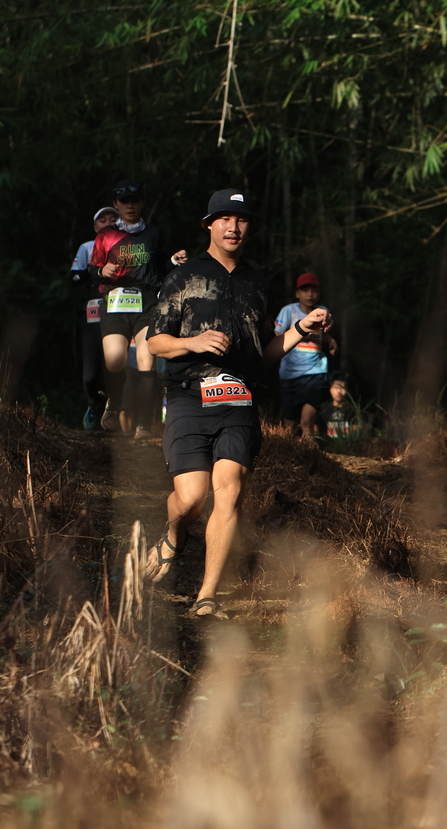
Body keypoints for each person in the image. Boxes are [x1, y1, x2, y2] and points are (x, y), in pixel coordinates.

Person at [144, 187, 332, 617]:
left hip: (239, 398)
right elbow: (155, 341)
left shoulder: (257, 283)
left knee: (228, 493)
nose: (234, 227)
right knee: (191, 498)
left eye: (242, 219)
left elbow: (266, 351)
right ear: (209, 225)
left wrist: (302, 328)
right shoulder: (184, 275)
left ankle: (206, 596)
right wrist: (193, 341)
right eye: (225, 219)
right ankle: (174, 534)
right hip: (189, 395)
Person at [88, 179, 186, 435]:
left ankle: (143, 424)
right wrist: (101, 271)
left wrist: (174, 260)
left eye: (134, 201)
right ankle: (114, 400)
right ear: (116, 204)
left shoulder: (153, 234)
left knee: (146, 361)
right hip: (115, 303)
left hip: (147, 303)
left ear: (142, 203)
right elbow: (92, 270)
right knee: (114, 361)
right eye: (124, 201)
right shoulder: (106, 236)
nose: (130, 206)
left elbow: (162, 267)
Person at [70, 206, 119, 430]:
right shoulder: (87, 247)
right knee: (90, 373)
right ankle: (94, 402)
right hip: (94, 312)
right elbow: (74, 279)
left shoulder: (128, 245)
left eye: (112, 219)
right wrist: (95, 271)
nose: (108, 223)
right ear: (94, 226)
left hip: (121, 311)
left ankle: (119, 410)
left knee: (117, 364)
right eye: (102, 220)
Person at [274, 272, 338, 438]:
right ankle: (290, 453)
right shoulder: (288, 311)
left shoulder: (322, 311)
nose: (310, 294)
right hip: (289, 374)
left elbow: (323, 333)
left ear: (318, 293)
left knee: (307, 421)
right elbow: (277, 335)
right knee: (289, 424)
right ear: (297, 293)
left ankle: (311, 454)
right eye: (305, 290)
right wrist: (301, 331)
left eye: (314, 290)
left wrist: (330, 340)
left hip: (314, 373)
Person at [317, 370, 358, 440]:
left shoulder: (353, 410)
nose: (339, 391)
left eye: (343, 388)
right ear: (330, 389)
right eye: (336, 387)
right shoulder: (322, 408)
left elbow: (356, 430)